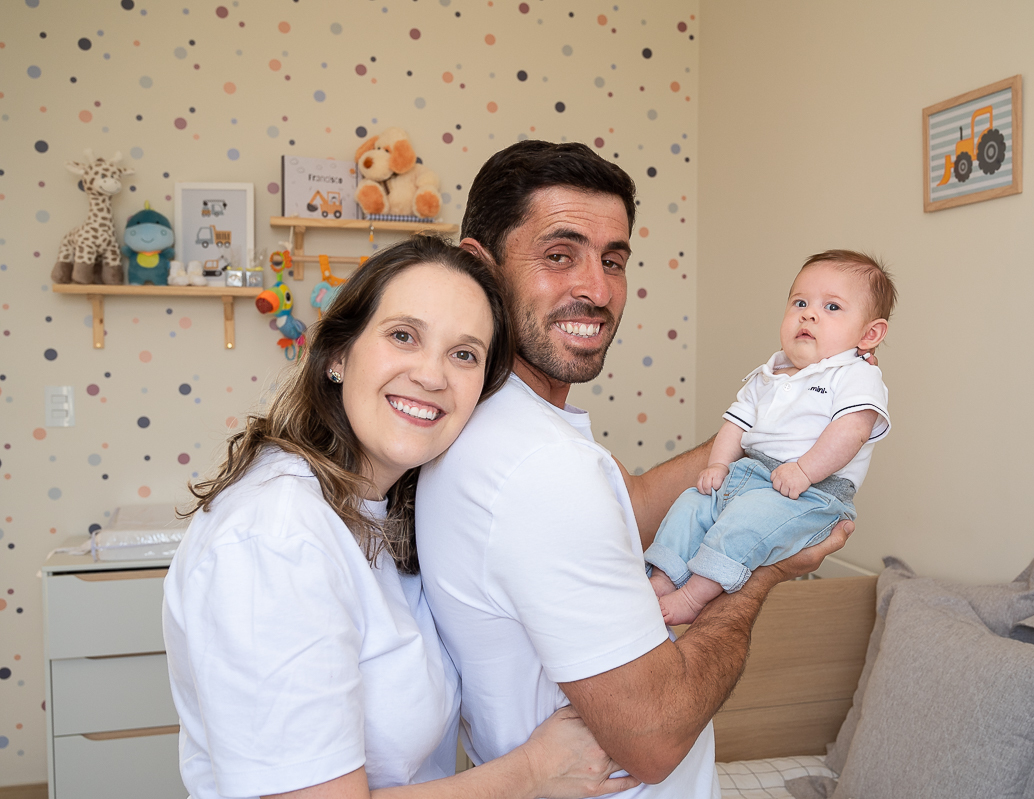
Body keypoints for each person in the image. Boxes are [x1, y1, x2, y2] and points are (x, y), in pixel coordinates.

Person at [415, 141, 855, 797]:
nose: (596, 289)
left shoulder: (497, 420)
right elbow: (656, 739)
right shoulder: (541, 466)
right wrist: (760, 572)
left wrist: (769, 434)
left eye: (612, 259)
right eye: (559, 255)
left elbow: (634, 501)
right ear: (480, 267)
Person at [162, 236, 639, 799]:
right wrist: (533, 774)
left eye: (464, 354)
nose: (432, 376)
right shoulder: (276, 537)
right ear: (338, 354)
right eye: (403, 336)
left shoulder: (390, 511)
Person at [646, 250, 895, 624]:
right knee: (691, 505)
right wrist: (718, 465)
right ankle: (662, 578)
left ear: (869, 334)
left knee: (743, 524)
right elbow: (736, 423)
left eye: (831, 307)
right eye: (800, 302)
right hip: (747, 475)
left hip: (812, 491)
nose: (809, 314)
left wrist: (805, 470)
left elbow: (852, 431)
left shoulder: (855, 375)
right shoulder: (769, 373)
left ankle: (694, 596)